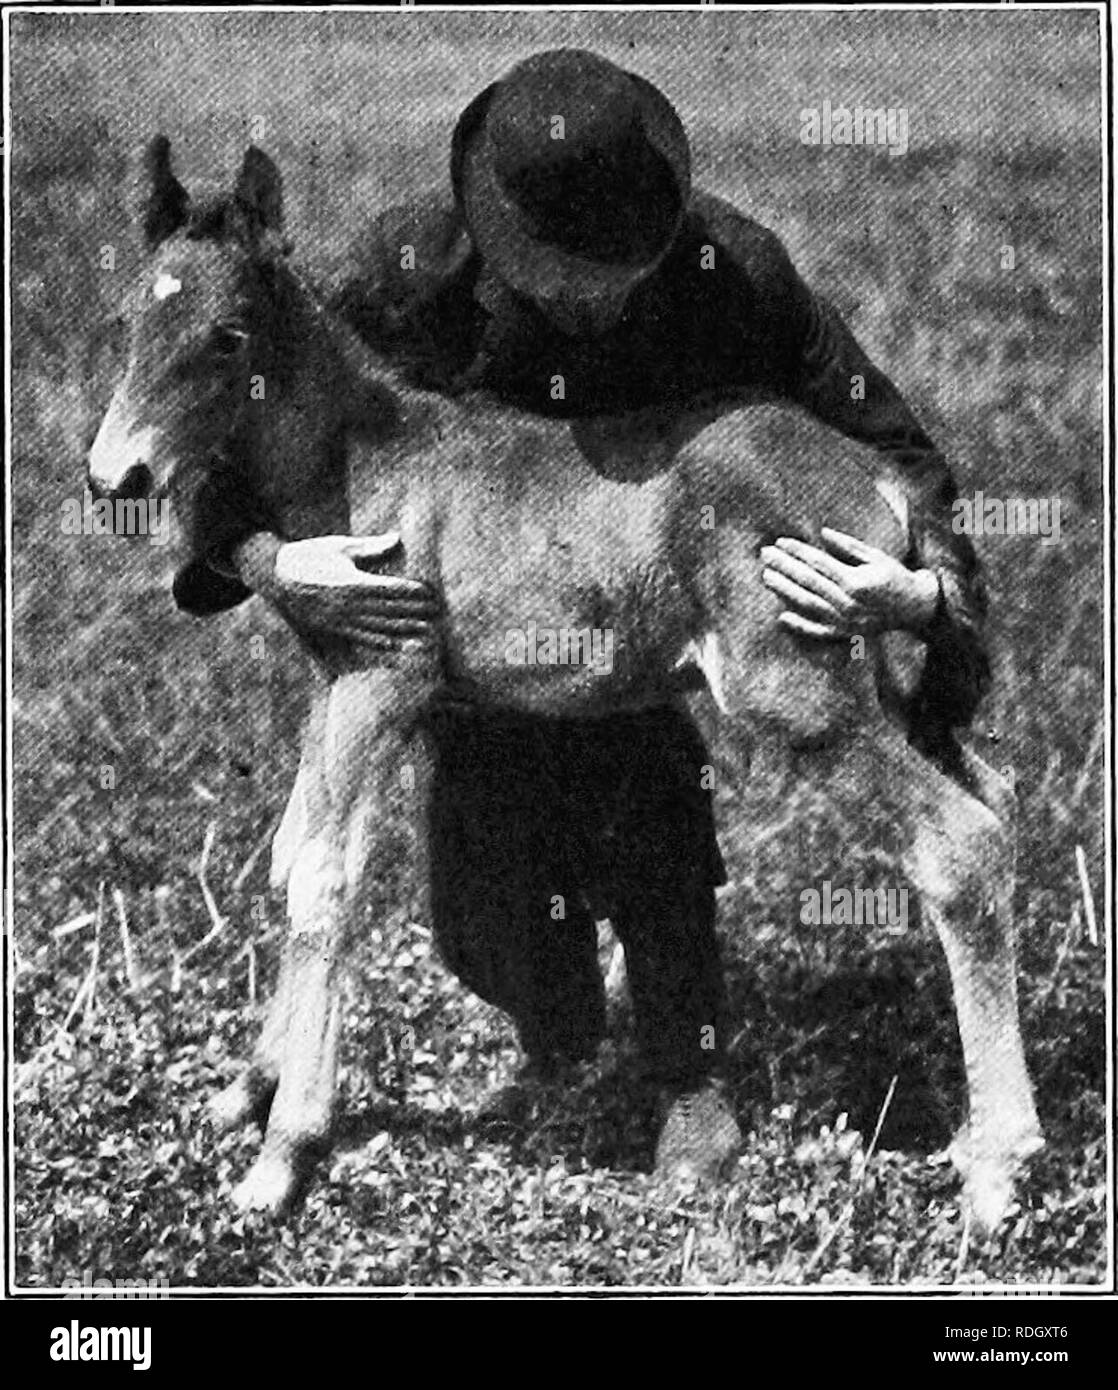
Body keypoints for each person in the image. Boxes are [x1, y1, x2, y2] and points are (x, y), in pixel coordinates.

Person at [181, 49, 990, 1181]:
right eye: (552, 273)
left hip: (646, 608)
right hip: (468, 639)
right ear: (491, 224)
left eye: (615, 269)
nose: (583, 296)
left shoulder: (732, 271)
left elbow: (897, 451)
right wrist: (267, 561)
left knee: (654, 810)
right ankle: (541, 1008)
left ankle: (688, 1073)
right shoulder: (403, 269)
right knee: (501, 952)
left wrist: (911, 594)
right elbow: (228, 411)